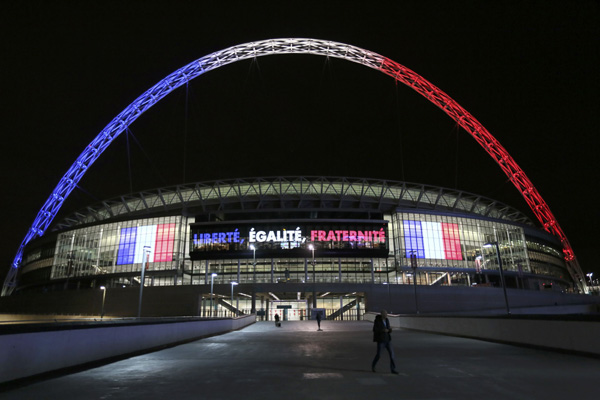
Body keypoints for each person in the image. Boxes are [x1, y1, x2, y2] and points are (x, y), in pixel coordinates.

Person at [371, 310, 398, 374]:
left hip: (388, 340)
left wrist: (389, 330)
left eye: (386, 313)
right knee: (379, 355)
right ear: (382, 314)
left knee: (392, 355)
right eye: (385, 314)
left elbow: (388, 328)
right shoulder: (377, 321)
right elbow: (375, 330)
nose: (386, 315)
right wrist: (383, 330)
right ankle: (373, 365)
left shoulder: (387, 320)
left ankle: (393, 369)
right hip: (381, 340)